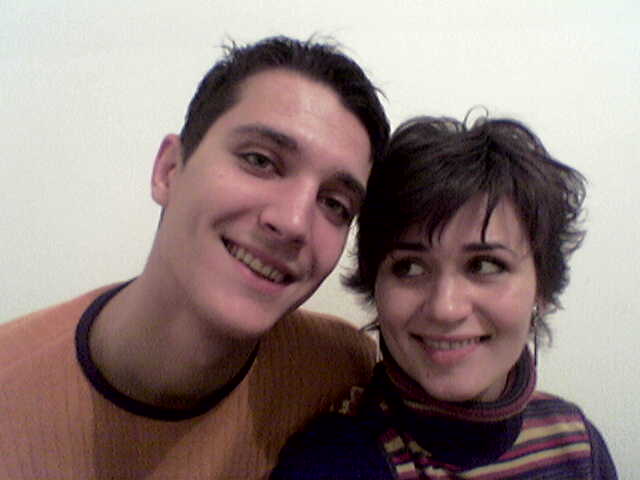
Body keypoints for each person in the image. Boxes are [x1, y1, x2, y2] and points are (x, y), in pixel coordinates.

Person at [0, 36, 389, 479]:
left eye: (335, 203)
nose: (294, 222)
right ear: (168, 170)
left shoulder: (340, 370)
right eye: (260, 160)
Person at [271, 114, 618, 479]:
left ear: (542, 288)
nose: (444, 308)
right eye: (409, 267)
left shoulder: (577, 443)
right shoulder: (334, 463)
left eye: (484, 265)